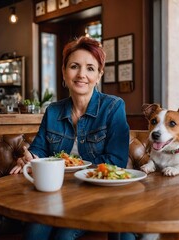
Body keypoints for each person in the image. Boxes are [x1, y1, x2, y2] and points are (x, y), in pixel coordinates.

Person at [10, 36, 134, 240]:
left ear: (99, 74)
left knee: (63, 237)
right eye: (74, 66)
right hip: (57, 194)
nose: (81, 75)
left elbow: (117, 161)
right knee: (33, 234)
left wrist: (73, 168)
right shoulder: (53, 111)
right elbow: (39, 149)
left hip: (97, 194)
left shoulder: (113, 107)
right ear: (64, 71)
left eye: (90, 68)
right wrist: (31, 158)